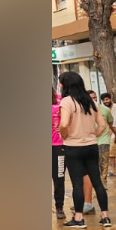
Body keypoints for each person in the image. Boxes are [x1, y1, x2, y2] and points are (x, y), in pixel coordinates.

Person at [58, 72, 112, 229]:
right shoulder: (91, 101)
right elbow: (102, 125)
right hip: (91, 146)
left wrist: (64, 135)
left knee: (77, 183)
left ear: (66, 84)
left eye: (61, 82)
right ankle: (105, 216)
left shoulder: (67, 101)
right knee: (98, 182)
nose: (60, 85)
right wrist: (93, 135)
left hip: (73, 147)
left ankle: (79, 218)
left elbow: (63, 124)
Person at [51, 88, 67, 219]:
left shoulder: (61, 100)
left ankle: (59, 207)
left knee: (58, 177)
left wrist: (63, 127)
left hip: (58, 146)